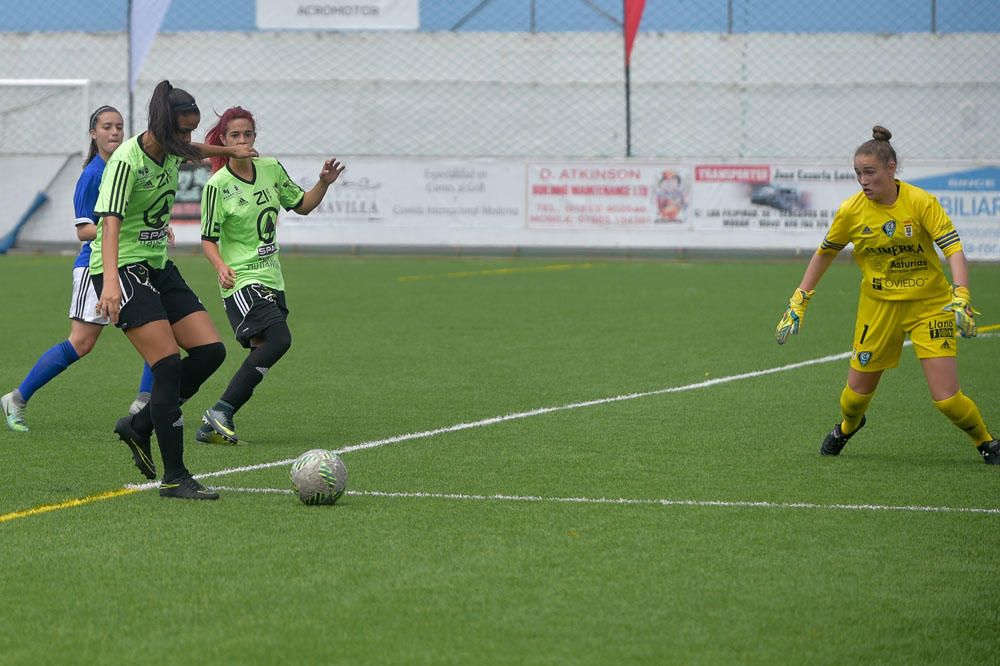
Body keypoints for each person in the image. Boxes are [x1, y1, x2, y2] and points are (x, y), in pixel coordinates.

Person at [775, 125, 998, 464]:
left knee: (948, 400)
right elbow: (825, 253)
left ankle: (986, 442)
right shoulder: (851, 211)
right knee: (853, 399)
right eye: (858, 174)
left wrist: (961, 294)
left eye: (870, 172)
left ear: (891, 169)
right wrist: (799, 301)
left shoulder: (921, 202)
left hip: (930, 305)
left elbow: (953, 248)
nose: (863, 180)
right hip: (878, 309)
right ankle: (848, 427)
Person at [91, 81, 255, 500]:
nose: (187, 140)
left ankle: (141, 424)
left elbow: (197, 150)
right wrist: (110, 282)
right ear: (162, 127)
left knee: (210, 352)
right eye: (181, 132)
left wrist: (228, 151)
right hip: (123, 270)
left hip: (157, 267)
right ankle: (175, 477)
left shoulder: (173, 150)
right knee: (165, 366)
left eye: (191, 131)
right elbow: (109, 223)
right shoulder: (127, 160)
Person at [194, 106, 344, 445]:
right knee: (279, 340)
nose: (242, 140)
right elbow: (207, 240)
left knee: (266, 347)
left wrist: (323, 183)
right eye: (235, 135)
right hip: (242, 281)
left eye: (248, 134)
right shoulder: (217, 186)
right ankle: (220, 411)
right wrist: (220, 266)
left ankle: (212, 424)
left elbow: (302, 205)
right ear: (224, 141)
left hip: (273, 278)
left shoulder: (271, 169)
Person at [1, 106, 153, 433]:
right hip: (93, 268)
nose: (114, 132)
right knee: (81, 343)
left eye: (119, 127)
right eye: (107, 127)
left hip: (127, 264)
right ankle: (17, 398)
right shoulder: (92, 174)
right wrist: (115, 228)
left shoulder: (127, 169)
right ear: (93, 134)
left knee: (158, 328)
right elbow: (84, 230)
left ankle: (144, 403)